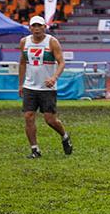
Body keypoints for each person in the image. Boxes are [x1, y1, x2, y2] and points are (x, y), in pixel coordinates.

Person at [18, 16, 72, 158]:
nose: (36, 29)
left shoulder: (52, 42)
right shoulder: (24, 42)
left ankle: (65, 135)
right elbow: (22, 63)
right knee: (28, 116)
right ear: (30, 28)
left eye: (39, 26)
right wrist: (21, 84)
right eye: (34, 26)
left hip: (47, 88)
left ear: (45, 27)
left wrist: (54, 77)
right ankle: (35, 149)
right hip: (30, 86)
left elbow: (61, 62)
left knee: (50, 120)